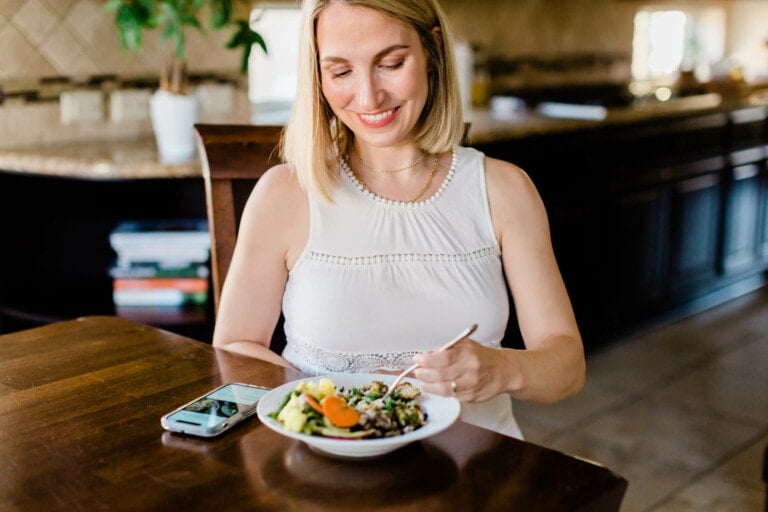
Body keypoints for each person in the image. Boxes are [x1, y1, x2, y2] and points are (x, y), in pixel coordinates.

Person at [212, 0, 585, 438]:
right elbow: (233, 352)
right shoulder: (284, 194)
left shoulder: (504, 189)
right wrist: (339, 404)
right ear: (317, 76)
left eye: (391, 63)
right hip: (329, 470)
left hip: (480, 479)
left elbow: (567, 368)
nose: (369, 97)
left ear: (432, 49)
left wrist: (502, 369)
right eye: (340, 72)